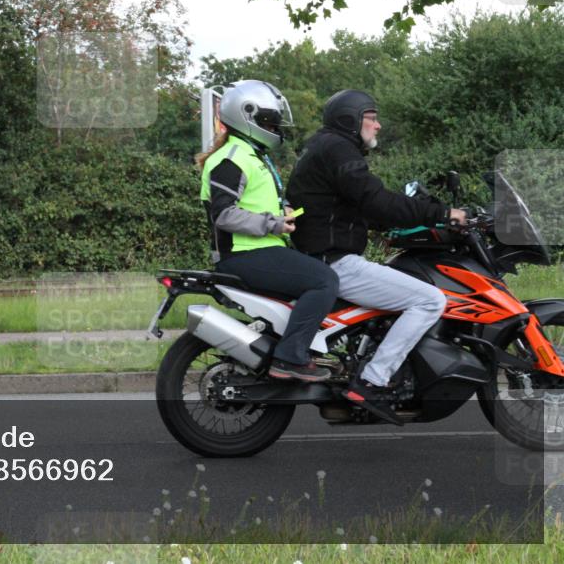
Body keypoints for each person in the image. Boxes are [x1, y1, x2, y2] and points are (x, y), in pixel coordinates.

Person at [285, 89, 467, 424]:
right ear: (350, 120)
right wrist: (442, 213)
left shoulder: (326, 147)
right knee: (429, 300)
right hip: (335, 261)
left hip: (322, 254)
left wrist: (388, 229)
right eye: (372, 118)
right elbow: (375, 199)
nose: (378, 125)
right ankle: (373, 381)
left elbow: (349, 206)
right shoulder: (338, 149)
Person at [198, 80, 340, 382]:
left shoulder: (251, 156)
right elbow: (224, 214)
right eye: (269, 121)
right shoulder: (231, 158)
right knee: (325, 281)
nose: (275, 127)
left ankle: (301, 350)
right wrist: (273, 223)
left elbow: (253, 204)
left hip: (260, 251)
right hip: (244, 255)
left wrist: (283, 212)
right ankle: (290, 358)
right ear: (246, 117)